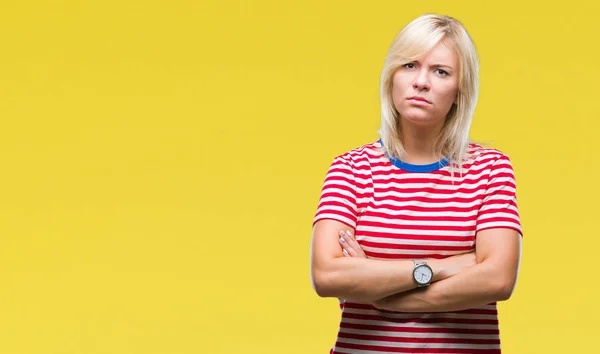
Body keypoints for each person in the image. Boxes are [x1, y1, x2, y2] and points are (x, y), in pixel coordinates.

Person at [310, 13, 523, 354]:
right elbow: (327, 275)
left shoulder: (489, 168)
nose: (421, 81)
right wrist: (439, 267)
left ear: (459, 92)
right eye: (409, 65)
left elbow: (497, 278)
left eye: (440, 71)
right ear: (391, 76)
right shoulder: (351, 168)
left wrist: (385, 295)